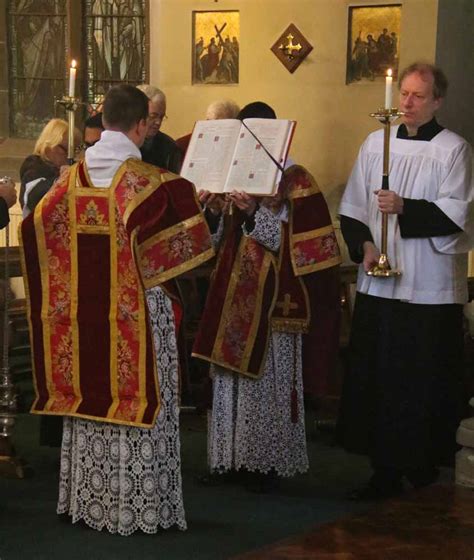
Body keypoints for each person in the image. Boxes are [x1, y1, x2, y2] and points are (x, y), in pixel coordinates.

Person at [20, 84, 214, 534]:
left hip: (84, 320)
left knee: (93, 402)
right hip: (137, 318)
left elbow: (34, 231)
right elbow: (190, 250)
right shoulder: (151, 185)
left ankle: (90, 503)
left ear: (102, 120)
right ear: (142, 124)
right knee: (142, 400)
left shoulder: (67, 181)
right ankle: (140, 505)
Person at [337, 62, 473, 500]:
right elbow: (354, 208)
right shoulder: (376, 144)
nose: (407, 103)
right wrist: (365, 249)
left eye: (418, 96)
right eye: (404, 94)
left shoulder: (453, 150)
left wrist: (405, 207)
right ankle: (383, 469)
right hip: (381, 284)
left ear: (437, 101)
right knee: (380, 376)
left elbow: (459, 213)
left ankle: (421, 466)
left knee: (420, 379)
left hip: (427, 287)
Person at [193, 102, 341, 490]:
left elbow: (298, 249)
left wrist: (256, 210)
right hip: (234, 293)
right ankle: (228, 461)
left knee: (267, 382)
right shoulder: (236, 174)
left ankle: (265, 464)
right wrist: (217, 208)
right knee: (228, 381)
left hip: (274, 297)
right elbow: (222, 239)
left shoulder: (296, 180)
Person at [19, 118, 81, 218]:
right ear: (51, 145)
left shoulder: (68, 165)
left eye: (74, 152)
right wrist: (60, 180)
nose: (70, 157)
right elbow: (34, 196)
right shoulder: (33, 166)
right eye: (66, 150)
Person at [136, 84, 183, 173]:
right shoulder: (123, 143)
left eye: (161, 117)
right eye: (153, 116)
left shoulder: (170, 148)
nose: (158, 122)